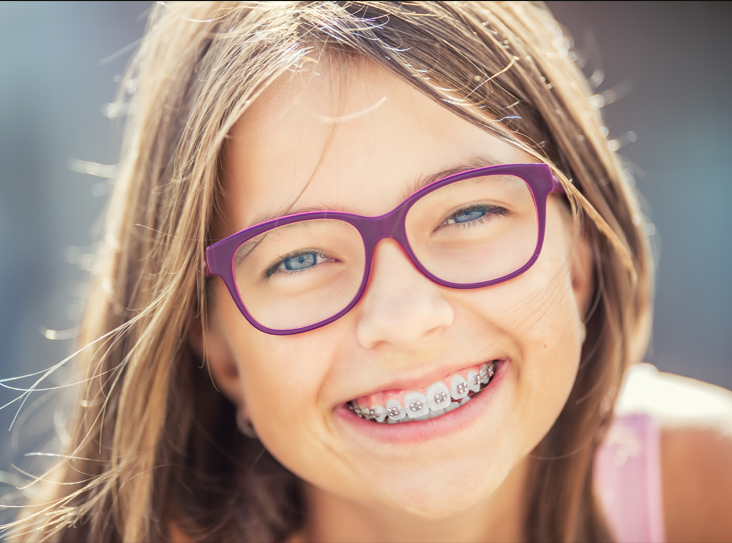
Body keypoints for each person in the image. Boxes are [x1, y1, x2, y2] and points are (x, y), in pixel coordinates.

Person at [7, 2, 732, 542]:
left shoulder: (707, 490)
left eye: (470, 214)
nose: (404, 317)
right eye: (299, 257)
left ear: (578, 257)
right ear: (221, 350)